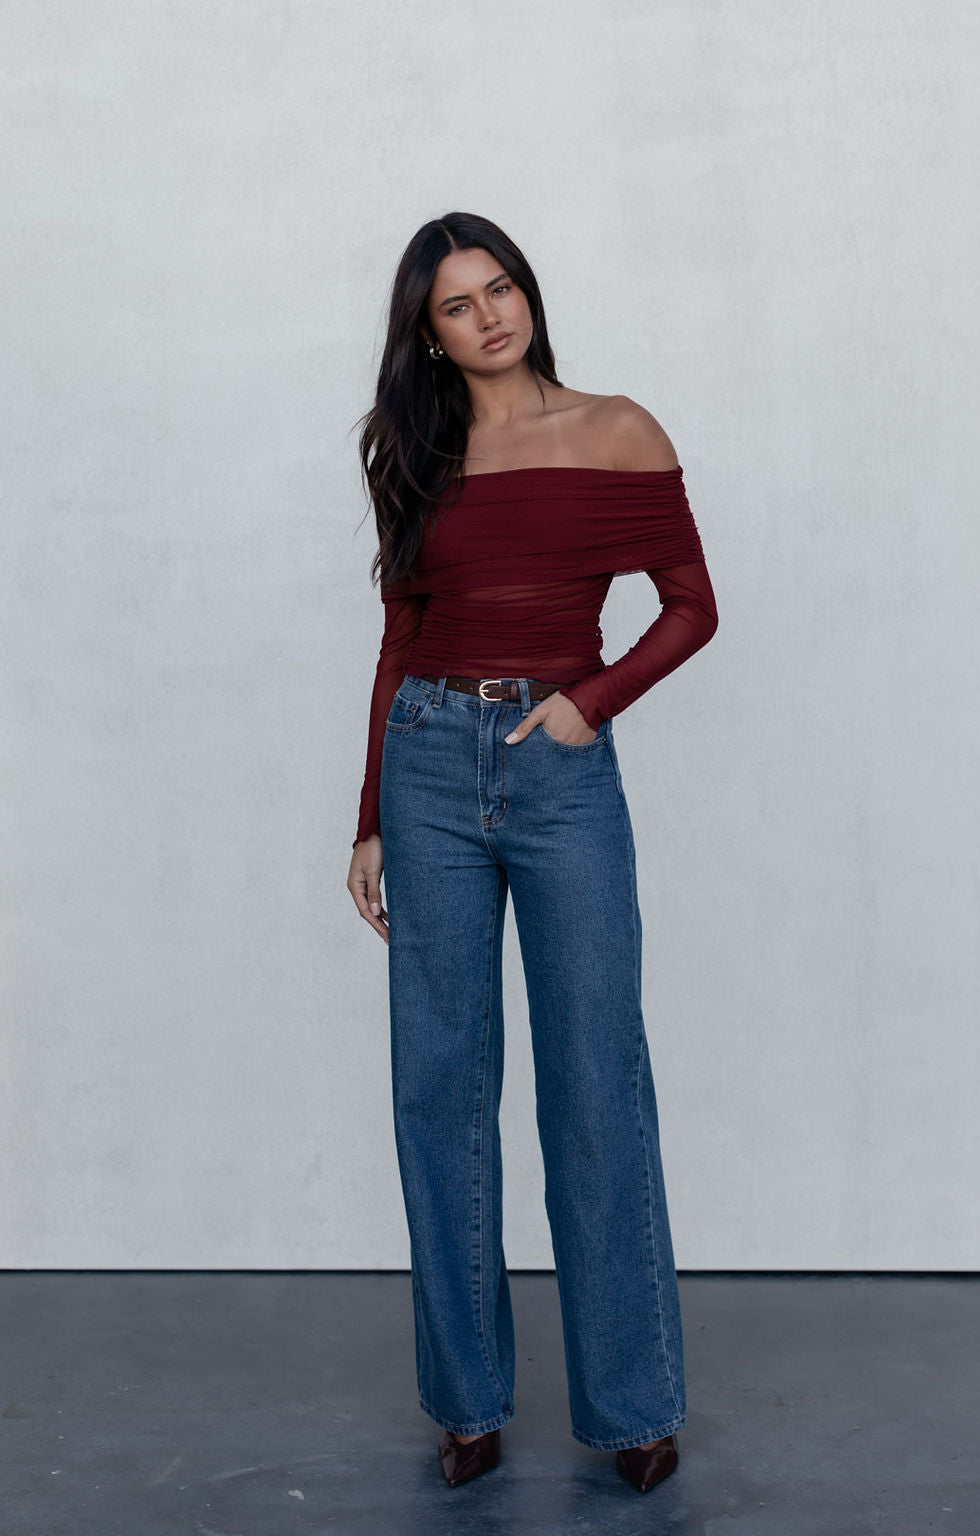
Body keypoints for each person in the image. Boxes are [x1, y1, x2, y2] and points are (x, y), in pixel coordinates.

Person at [347, 211, 718, 1495]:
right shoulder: (418, 451)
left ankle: (632, 1406)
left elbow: (690, 606)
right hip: (430, 760)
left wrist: (585, 705)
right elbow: (401, 635)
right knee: (439, 1091)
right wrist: (372, 814)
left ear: (528, 295)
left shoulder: (617, 429)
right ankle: (466, 1404)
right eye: (458, 304)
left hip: (561, 770)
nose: (490, 314)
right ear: (431, 336)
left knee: (594, 1087)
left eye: (501, 288)